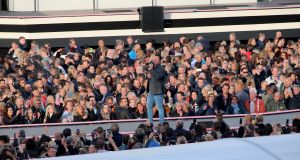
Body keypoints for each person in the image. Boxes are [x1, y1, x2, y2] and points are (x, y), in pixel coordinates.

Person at [146, 54, 167, 124]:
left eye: (156, 59)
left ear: (159, 61)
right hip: (151, 91)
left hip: (158, 92)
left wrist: (151, 70)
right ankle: (150, 123)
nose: (154, 61)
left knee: (160, 108)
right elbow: (149, 76)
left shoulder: (161, 69)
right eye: (154, 59)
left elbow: (158, 76)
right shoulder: (152, 68)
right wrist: (147, 76)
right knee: (149, 107)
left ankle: (161, 124)